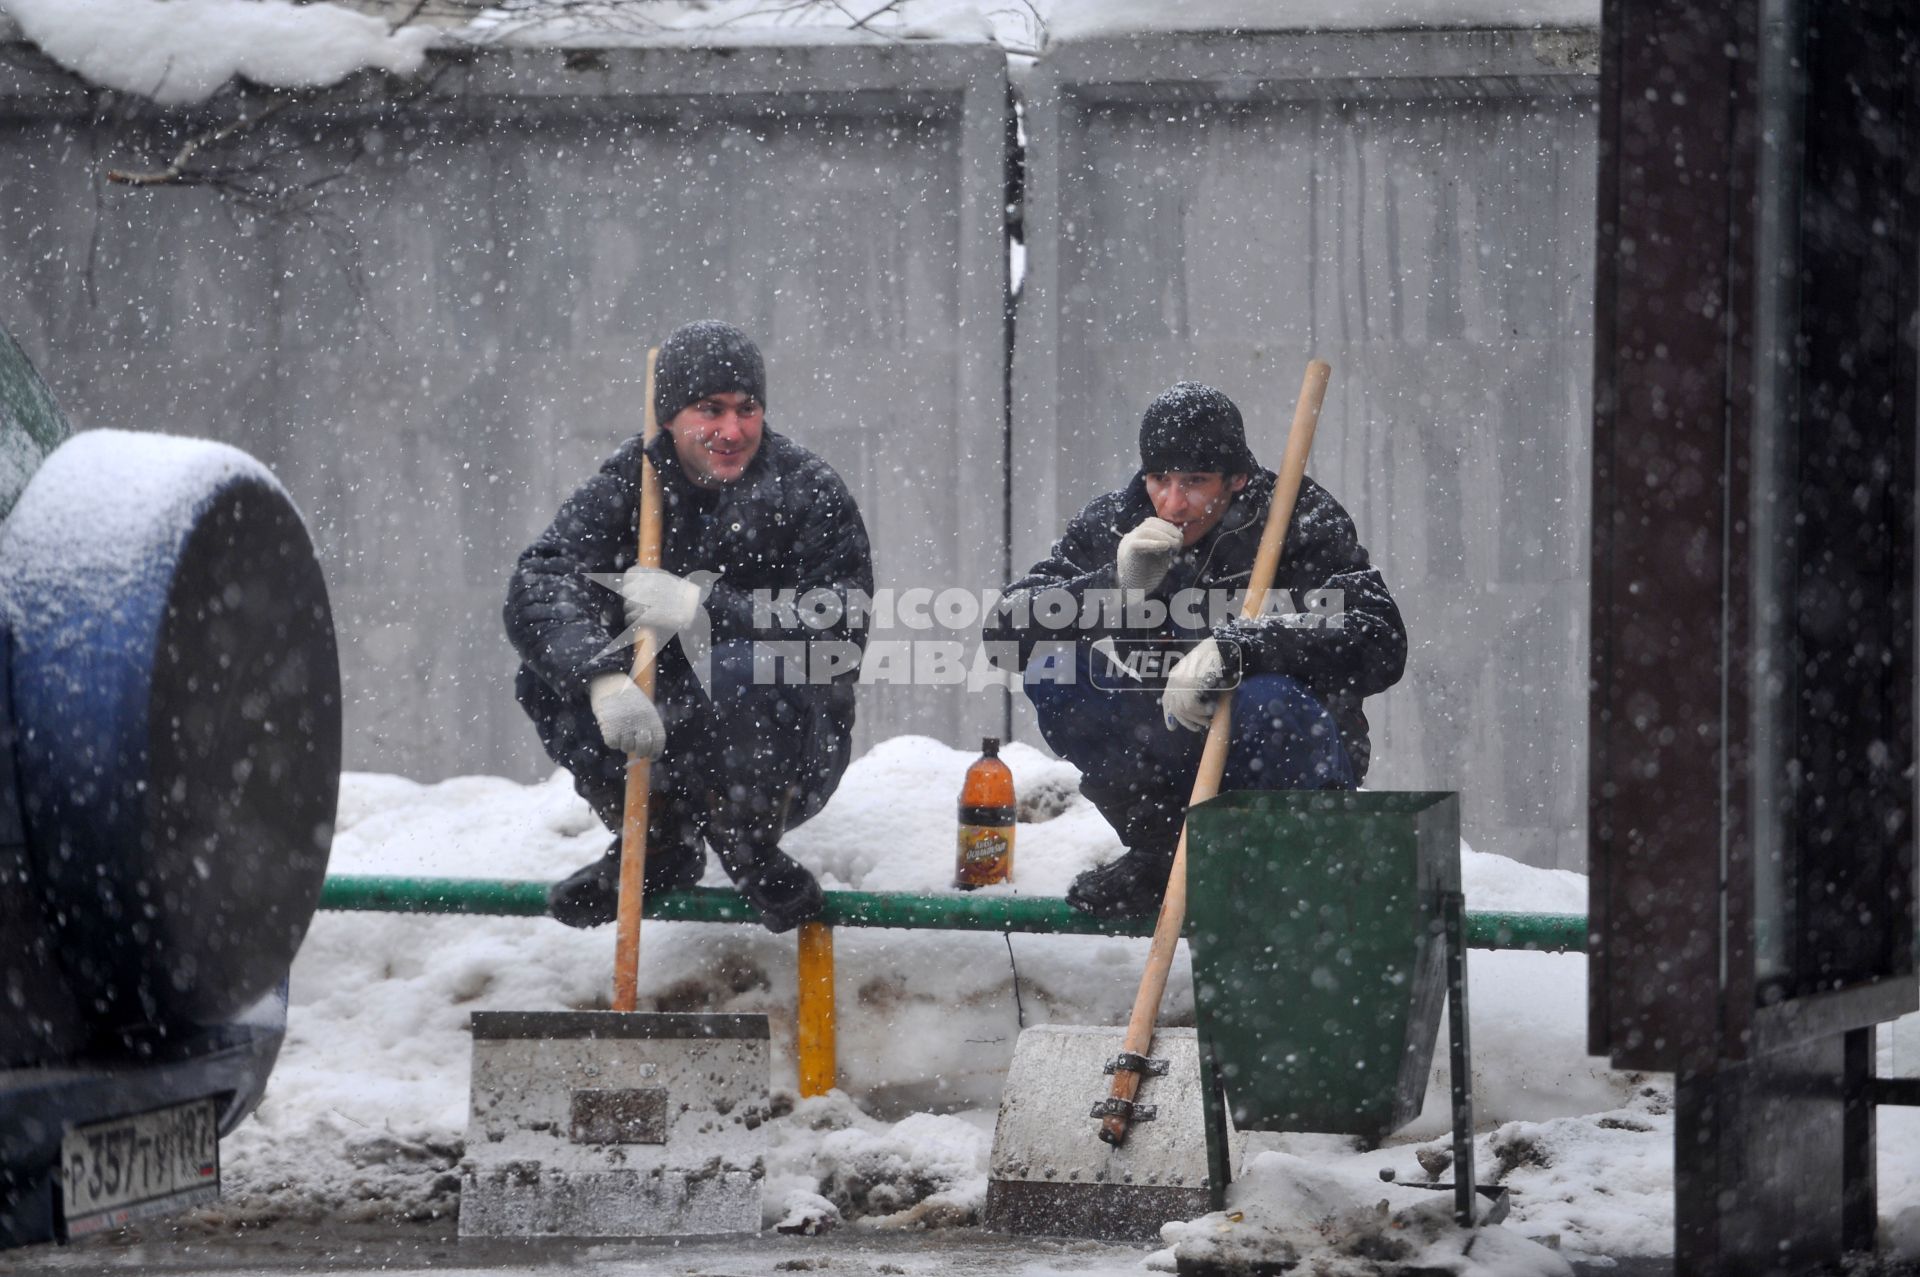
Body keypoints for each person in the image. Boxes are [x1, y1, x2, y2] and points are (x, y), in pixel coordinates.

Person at [505, 321, 873, 934]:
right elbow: (540, 581)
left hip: (791, 750)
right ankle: (653, 844)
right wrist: (601, 678)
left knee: (736, 668)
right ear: (670, 417)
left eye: (747, 409)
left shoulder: (809, 491)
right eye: (710, 409)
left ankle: (750, 849)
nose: (732, 430)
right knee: (546, 672)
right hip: (663, 733)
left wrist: (705, 606)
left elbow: (839, 635)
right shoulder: (632, 480)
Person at [985, 381, 1406, 918]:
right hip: (1167, 752)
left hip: (1284, 756)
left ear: (1238, 479)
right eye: (1160, 478)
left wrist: (1244, 647)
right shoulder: (1118, 520)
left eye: (1195, 481)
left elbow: (1380, 639)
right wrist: (1112, 587)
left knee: (1268, 699)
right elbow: (1004, 635)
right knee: (1056, 669)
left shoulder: (1297, 518)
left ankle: (1289, 866)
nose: (1172, 502)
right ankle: (1164, 855)